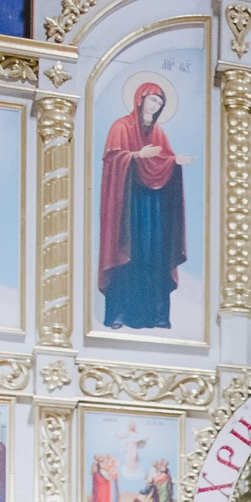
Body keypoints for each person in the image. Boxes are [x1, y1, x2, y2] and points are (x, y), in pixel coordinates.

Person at [98, 81, 187, 330]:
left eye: (160, 102)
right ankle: (118, 313)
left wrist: (175, 162)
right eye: (153, 99)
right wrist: (137, 156)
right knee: (125, 253)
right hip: (127, 207)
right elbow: (113, 159)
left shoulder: (158, 132)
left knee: (155, 254)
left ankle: (157, 315)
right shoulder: (121, 126)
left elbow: (164, 160)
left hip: (154, 208)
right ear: (140, 99)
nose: (156, 105)